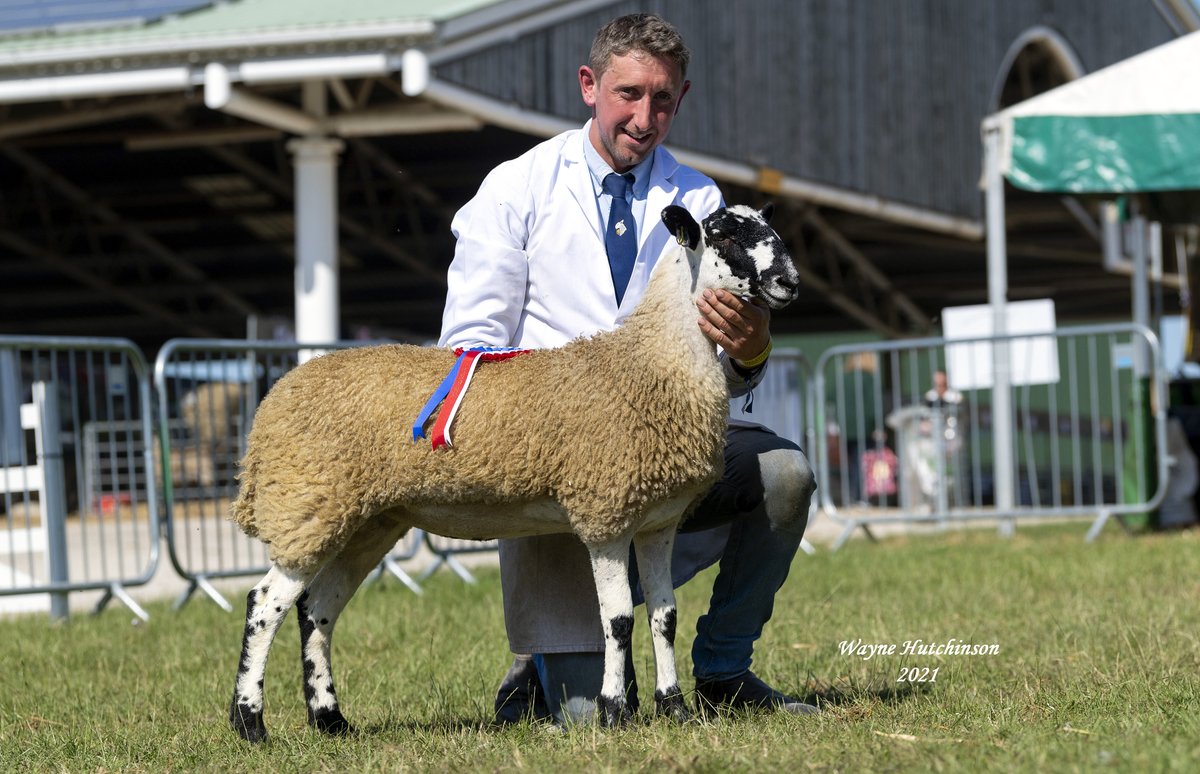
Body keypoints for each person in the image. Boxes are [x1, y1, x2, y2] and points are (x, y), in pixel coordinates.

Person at [439, 13, 817, 726]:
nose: (645, 119)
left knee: (785, 475)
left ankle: (725, 670)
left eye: (665, 99)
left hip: (670, 448)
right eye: (629, 94)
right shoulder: (515, 188)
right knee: (589, 722)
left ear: (683, 98)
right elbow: (469, 348)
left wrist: (751, 348)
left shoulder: (702, 204)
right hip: (556, 464)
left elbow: (724, 370)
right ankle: (540, 661)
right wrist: (588, 406)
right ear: (589, 86)